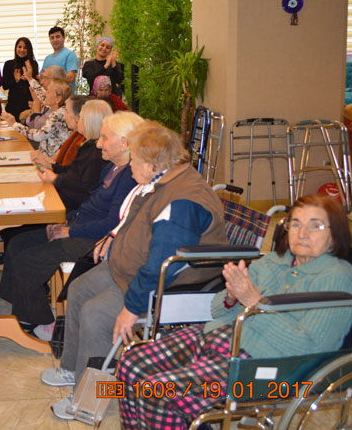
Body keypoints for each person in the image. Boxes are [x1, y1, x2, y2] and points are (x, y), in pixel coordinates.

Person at [41, 120, 229, 421]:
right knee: (77, 290)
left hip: (162, 286)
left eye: (136, 160)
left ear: (154, 163)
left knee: (96, 314)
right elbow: (131, 226)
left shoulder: (181, 201)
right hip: (128, 270)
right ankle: (72, 369)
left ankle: (89, 399)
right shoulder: (159, 181)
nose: (130, 166)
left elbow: (160, 265)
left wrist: (132, 307)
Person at [117, 194, 352, 429]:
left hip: (266, 366)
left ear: (334, 235)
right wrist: (232, 297)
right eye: (295, 224)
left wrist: (254, 301)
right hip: (221, 336)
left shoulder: (337, 277)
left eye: (315, 226)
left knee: (158, 392)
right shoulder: (275, 260)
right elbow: (216, 308)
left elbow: (308, 347)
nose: (302, 233)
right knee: (131, 364)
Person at [0, 111, 143, 338]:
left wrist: (69, 230)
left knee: (29, 259)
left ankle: (44, 322)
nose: (99, 144)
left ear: (124, 143)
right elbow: (90, 203)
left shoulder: (129, 176)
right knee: (18, 243)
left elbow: (111, 224)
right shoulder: (112, 167)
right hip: (79, 225)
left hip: (92, 240)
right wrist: (66, 219)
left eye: (105, 139)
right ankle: (19, 301)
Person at [35, 98, 112, 213]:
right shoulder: (87, 146)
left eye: (80, 117)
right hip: (62, 200)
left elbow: (85, 192)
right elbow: (72, 171)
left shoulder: (97, 154)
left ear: (89, 122)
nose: (77, 120)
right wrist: (52, 167)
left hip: (68, 209)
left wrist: (56, 179)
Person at [1, 78, 72, 157]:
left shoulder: (57, 116)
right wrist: (30, 79)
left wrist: (14, 125)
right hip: (46, 154)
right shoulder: (58, 108)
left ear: (58, 99)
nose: (45, 94)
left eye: (48, 92)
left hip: (50, 159)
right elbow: (41, 95)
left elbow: (39, 135)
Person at [2, 37, 39, 121]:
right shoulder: (9, 64)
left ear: (29, 49)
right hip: (13, 105)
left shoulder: (33, 64)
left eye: (25, 47)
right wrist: (15, 80)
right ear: (16, 48)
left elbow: (36, 85)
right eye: (19, 47)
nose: (22, 50)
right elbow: (5, 86)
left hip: (29, 105)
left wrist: (28, 78)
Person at [41, 26, 79, 91]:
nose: (55, 40)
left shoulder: (70, 54)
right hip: (50, 97)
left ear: (64, 37)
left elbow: (71, 77)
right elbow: (42, 78)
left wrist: (51, 77)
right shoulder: (47, 58)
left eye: (58, 37)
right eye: (52, 38)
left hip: (66, 98)